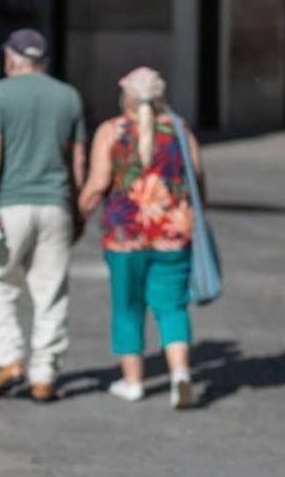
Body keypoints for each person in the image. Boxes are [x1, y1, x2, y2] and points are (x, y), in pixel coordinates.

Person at [0, 28, 86, 403]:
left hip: (11, 204)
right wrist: (77, 205)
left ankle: (9, 360)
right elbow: (77, 159)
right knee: (51, 291)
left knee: (0, 285)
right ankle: (45, 374)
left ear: (11, 58)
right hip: (56, 204)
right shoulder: (68, 96)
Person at [77, 66, 204, 409]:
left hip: (124, 236)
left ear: (126, 98)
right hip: (173, 234)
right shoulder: (179, 129)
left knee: (127, 306)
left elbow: (97, 185)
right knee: (172, 306)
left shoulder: (112, 131)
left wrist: (78, 216)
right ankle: (180, 373)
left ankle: (133, 382)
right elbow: (198, 180)